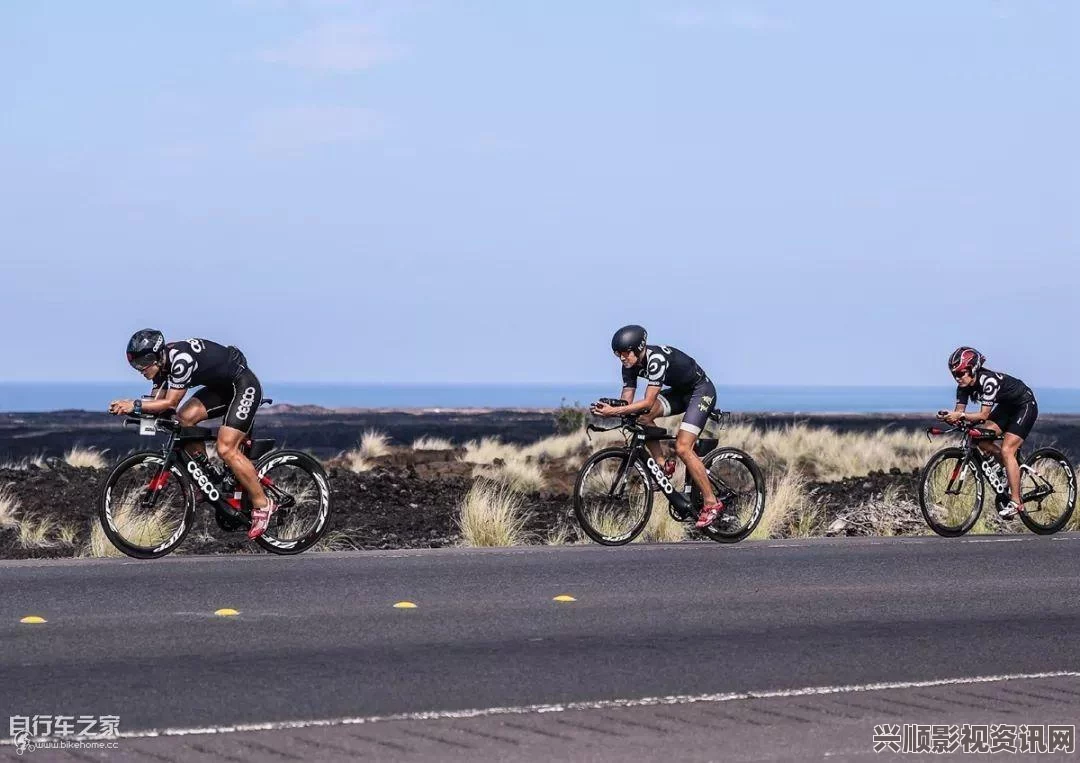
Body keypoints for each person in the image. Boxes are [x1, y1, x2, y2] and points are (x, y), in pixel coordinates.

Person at [108, 329, 277, 539]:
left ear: (156, 356)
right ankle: (208, 476)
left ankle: (263, 504)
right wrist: (137, 412)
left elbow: (170, 402)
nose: (140, 369)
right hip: (221, 388)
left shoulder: (181, 361)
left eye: (142, 363)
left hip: (243, 385)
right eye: (135, 365)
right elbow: (157, 407)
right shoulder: (161, 366)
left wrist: (133, 405)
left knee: (226, 448)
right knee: (184, 420)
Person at [592, 324, 725, 528]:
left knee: (682, 447)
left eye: (625, 353)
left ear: (638, 348)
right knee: (641, 418)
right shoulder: (628, 364)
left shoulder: (656, 360)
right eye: (618, 354)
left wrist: (614, 412)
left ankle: (711, 503)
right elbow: (628, 401)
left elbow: (647, 402)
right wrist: (613, 407)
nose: (622, 358)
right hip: (679, 393)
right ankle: (662, 465)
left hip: (700, 391)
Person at [940, 346, 1038, 519]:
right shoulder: (962, 387)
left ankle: (1016, 503)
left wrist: (961, 415)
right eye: (954, 374)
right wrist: (949, 417)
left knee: (1008, 450)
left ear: (973, 368)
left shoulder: (988, 381)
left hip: (1024, 405)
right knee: (981, 439)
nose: (958, 377)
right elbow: (960, 413)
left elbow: (984, 414)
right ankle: (1009, 471)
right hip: (1006, 408)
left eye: (961, 372)